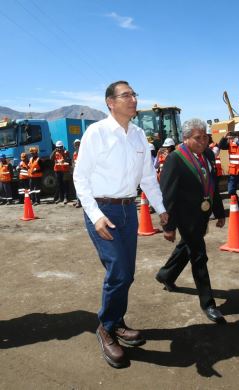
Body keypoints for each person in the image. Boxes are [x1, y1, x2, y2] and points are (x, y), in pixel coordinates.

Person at [73, 80, 168, 369]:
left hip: (129, 211)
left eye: (134, 95)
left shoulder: (139, 135)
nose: (133, 99)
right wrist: (95, 215)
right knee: (120, 272)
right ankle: (105, 328)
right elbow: (80, 178)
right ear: (110, 102)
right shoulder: (96, 133)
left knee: (127, 273)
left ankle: (117, 321)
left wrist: (161, 210)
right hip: (103, 211)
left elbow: (148, 178)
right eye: (126, 95)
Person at [155, 118, 226, 324]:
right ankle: (208, 304)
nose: (203, 141)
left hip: (201, 216)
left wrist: (220, 212)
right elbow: (168, 195)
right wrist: (168, 226)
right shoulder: (175, 159)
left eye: (205, 137)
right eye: (197, 138)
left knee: (187, 247)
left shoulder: (209, 157)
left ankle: (166, 275)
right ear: (186, 139)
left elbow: (213, 186)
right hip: (184, 217)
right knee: (199, 256)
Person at [72, 139, 82, 208]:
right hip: (76, 172)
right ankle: (78, 200)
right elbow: (73, 162)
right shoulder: (75, 153)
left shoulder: (83, 152)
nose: (77, 146)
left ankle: (80, 201)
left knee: (81, 187)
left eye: (78, 144)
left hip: (82, 173)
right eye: (76, 145)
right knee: (77, 187)